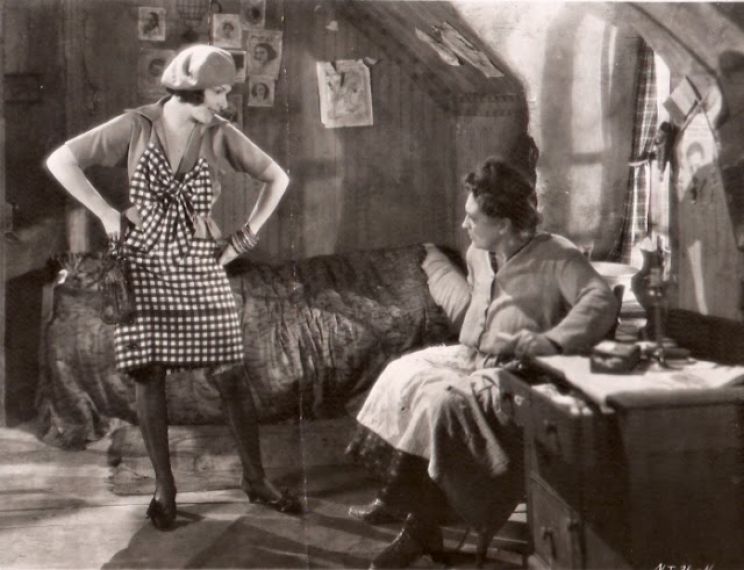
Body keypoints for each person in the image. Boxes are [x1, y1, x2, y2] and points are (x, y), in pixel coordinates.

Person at [45, 44, 298, 530]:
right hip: (142, 261)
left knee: (230, 373)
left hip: (200, 261)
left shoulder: (219, 133)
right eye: (218, 92)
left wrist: (244, 238)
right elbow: (62, 161)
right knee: (148, 374)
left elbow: (276, 177)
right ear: (192, 90)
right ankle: (165, 488)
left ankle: (256, 479)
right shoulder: (136, 126)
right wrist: (105, 214)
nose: (224, 103)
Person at [346, 143, 618, 568]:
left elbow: (600, 300)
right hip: (471, 355)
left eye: (473, 218)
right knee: (401, 372)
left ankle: (417, 527)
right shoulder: (478, 253)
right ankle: (401, 500)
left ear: (504, 224)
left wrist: (553, 340)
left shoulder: (556, 255)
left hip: (521, 371)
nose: (464, 224)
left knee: (441, 404)